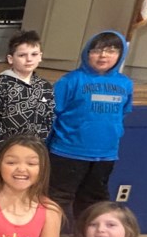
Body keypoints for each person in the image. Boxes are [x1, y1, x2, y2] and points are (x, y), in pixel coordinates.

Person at [47, 31, 133, 225]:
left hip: (105, 155)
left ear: (120, 54)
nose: (103, 56)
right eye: (97, 50)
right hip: (67, 153)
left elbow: (123, 113)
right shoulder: (70, 81)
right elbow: (51, 114)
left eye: (111, 50)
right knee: (57, 199)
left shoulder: (125, 84)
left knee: (94, 202)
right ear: (87, 52)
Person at [0, 30, 55, 164]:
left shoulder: (45, 86)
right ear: (10, 59)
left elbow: (48, 118)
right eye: (22, 55)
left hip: (33, 150)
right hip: (2, 151)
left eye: (34, 54)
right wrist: (8, 146)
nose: (29, 59)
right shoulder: (0, 85)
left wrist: (35, 144)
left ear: (40, 57)